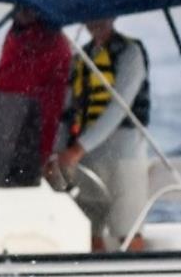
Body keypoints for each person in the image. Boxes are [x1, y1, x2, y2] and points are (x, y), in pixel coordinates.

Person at [56, 17, 150, 252]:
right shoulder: (80, 58)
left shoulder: (130, 52)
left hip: (124, 157)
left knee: (128, 232)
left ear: (113, 17)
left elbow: (119, 108)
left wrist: (77, 149)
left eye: (101, 15)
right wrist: (57, 154)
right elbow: (67, 111)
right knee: (88, 231)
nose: (95, 20)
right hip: (88, 161)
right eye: (90, 15)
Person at [0, 5, 72, 166]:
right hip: (8, 125)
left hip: (33, 131)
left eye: (28, 7)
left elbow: (18, 80)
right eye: (19, 5)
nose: (21, 11)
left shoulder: (51, 40)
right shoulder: (18, 32)